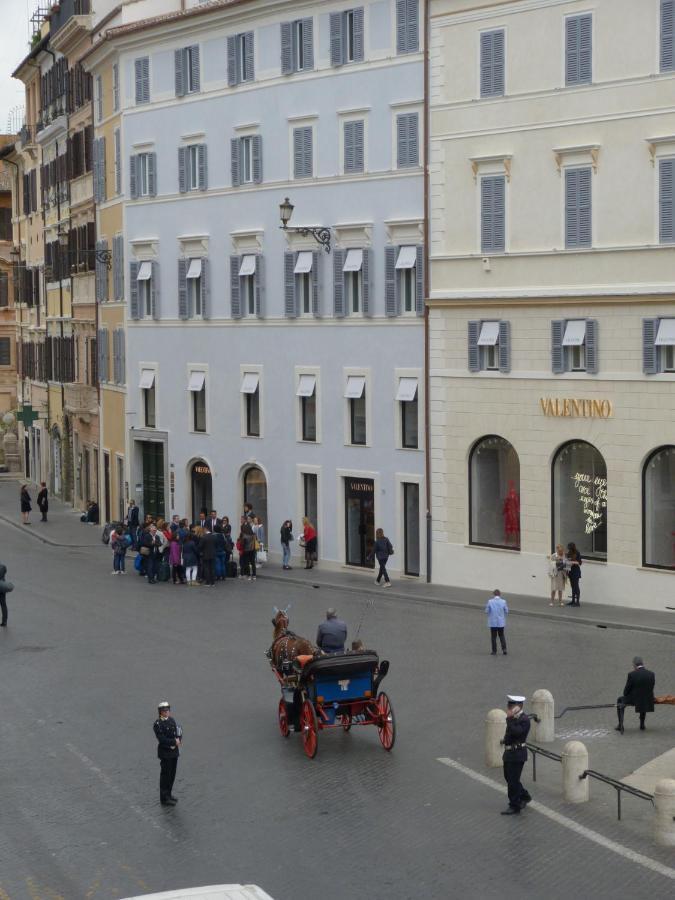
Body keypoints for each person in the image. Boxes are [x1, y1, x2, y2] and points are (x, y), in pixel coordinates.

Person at [501, 694, 532, 815]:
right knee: (509, 778)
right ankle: (524, 795)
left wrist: (509, 719)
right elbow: (509, 734)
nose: (508, 708)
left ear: (518, 707)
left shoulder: (524, 719)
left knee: (513, 781)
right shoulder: (513, 719)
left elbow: (517, 732)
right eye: (509, 706)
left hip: (518, 754)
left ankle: (514, 805)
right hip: (509, 753)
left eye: (511, 706)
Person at [616, 656, 656, 733]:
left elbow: (626, 691)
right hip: (648, 699)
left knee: (619, 699)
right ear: (642, 664)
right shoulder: (651, 674)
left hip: (635, 700)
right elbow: (651, 687)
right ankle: (642, 724)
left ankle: (620, 725)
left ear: (634, 665)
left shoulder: (632, 674)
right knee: (643, 697)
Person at [153, 701, 182, 806]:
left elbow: (178, 731)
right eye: (165, 711)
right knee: (165, 776)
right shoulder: (158, 724)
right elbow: (161, 739)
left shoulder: (172, 720)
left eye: (168, 710)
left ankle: (169, 794)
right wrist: (173, 742)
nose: (167, 712)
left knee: (172, 775)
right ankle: (164, 798)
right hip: (165, 753)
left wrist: (178, 740)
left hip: (174, 753)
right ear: (160, 712)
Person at [485, 589, 508, 655]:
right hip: (501, 622)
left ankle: (494, 651)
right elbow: (506, 611)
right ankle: (504, 649)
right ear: (500, 594)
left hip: (493, 622)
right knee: (501, 635)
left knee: (493, 637)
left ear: (493, 594)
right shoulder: (503, 601)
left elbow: (486, 611)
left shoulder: (490, 601)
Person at [0, 563, 14, 627]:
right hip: (2, 589)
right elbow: (5, 571)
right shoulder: (3, 567)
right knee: (3, 604)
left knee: (3, 605)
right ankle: (4, 621)